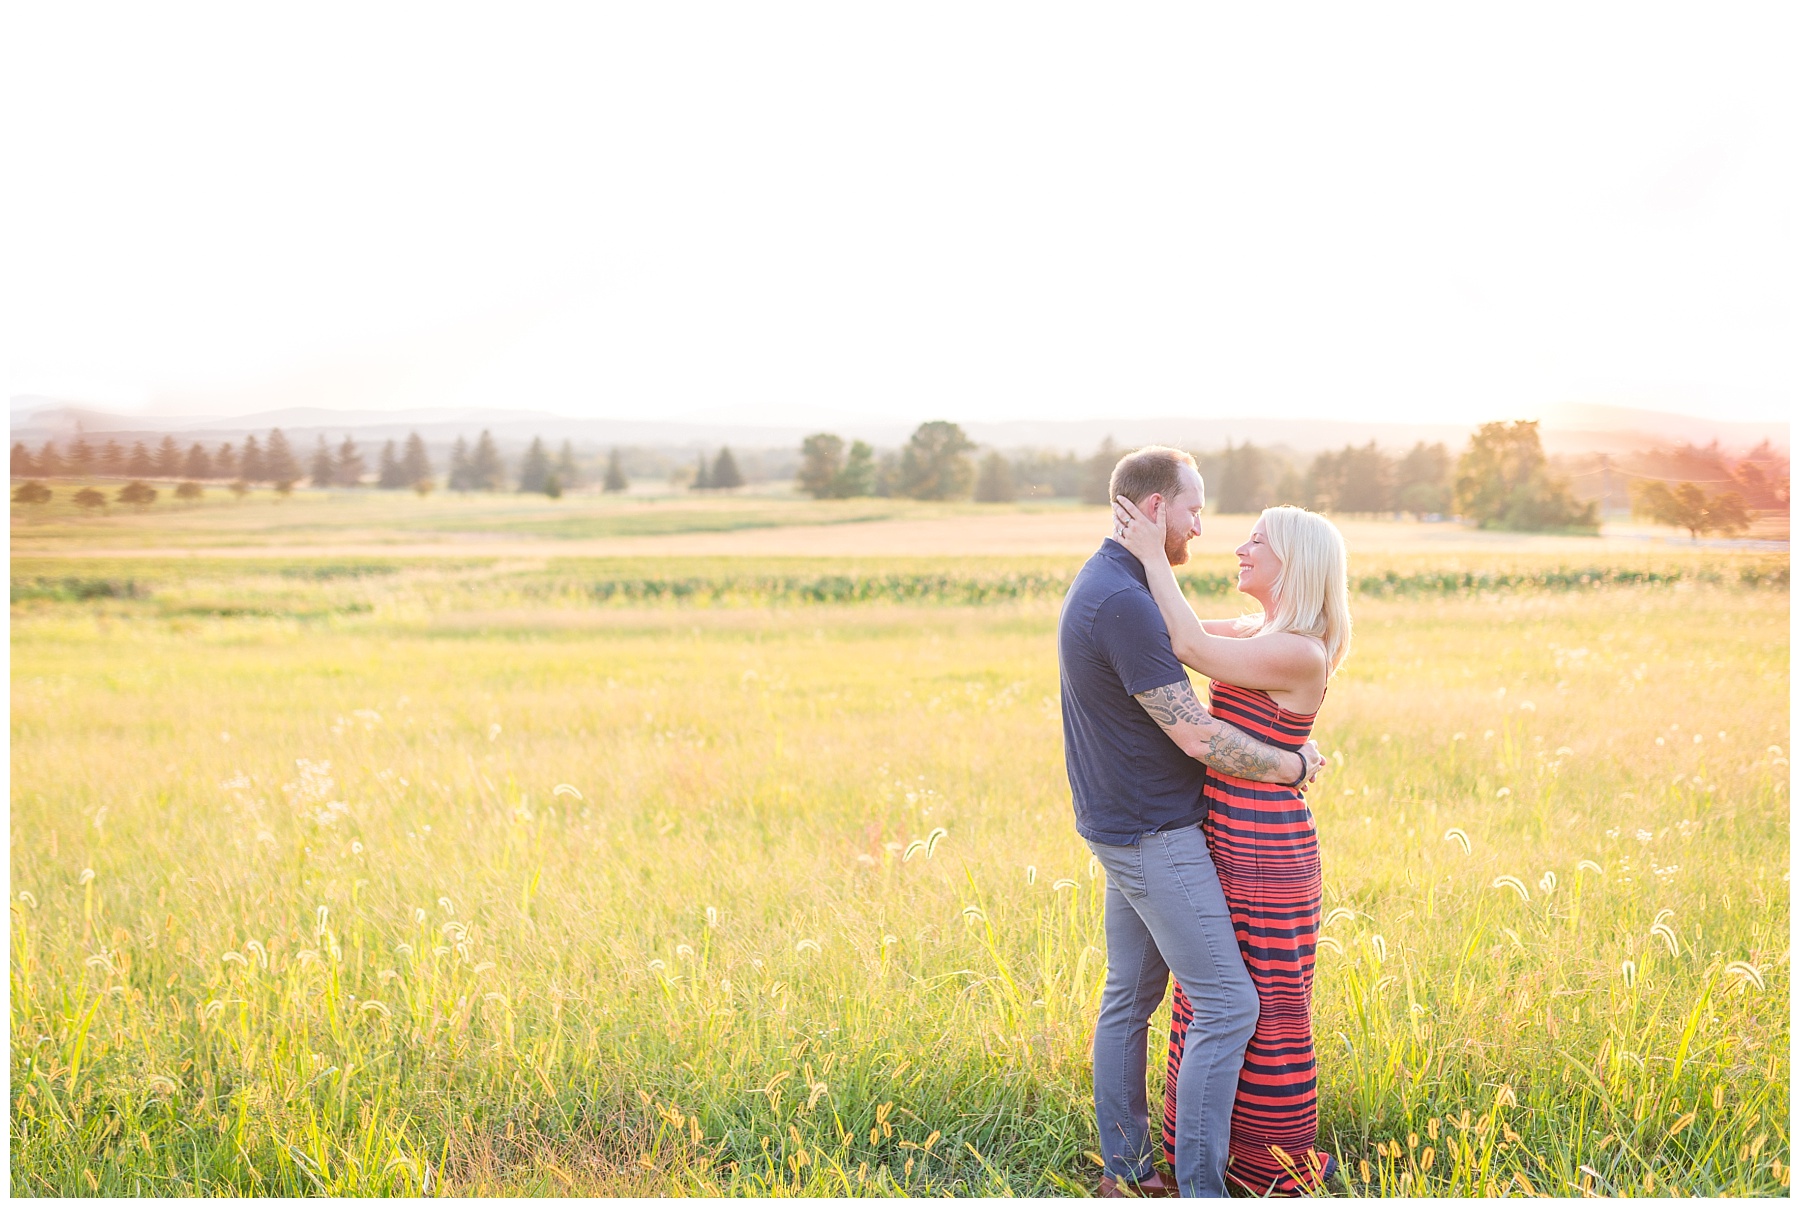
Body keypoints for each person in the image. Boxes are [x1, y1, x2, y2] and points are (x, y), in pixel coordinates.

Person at [1059, 445, 1324, 1198]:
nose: (1204, 528)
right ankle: (1199, 1191)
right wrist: (1293, 766)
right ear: (1154, 511)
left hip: (1125, 822)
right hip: (1154, 832)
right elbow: (1198, 736)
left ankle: (1128, 1174)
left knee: (1129, 999)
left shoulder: (1111, 583)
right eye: (1194, 510)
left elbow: (1210, 645)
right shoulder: (1125, 603)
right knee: (1230, 1004)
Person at [1111, 494, 1351, 1196]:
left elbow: (1188, 647)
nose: (1240, 550)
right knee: (1211, 998)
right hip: (1228, 838)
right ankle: (1205, 1158)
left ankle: (1261, 1170)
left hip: (1263, 850)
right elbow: (1163, 627)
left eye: (1256, 543)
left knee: (1262, 1007)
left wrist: (1155, 552)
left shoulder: (1297, 650)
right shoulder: (1261, 629)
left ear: (1295, 564)